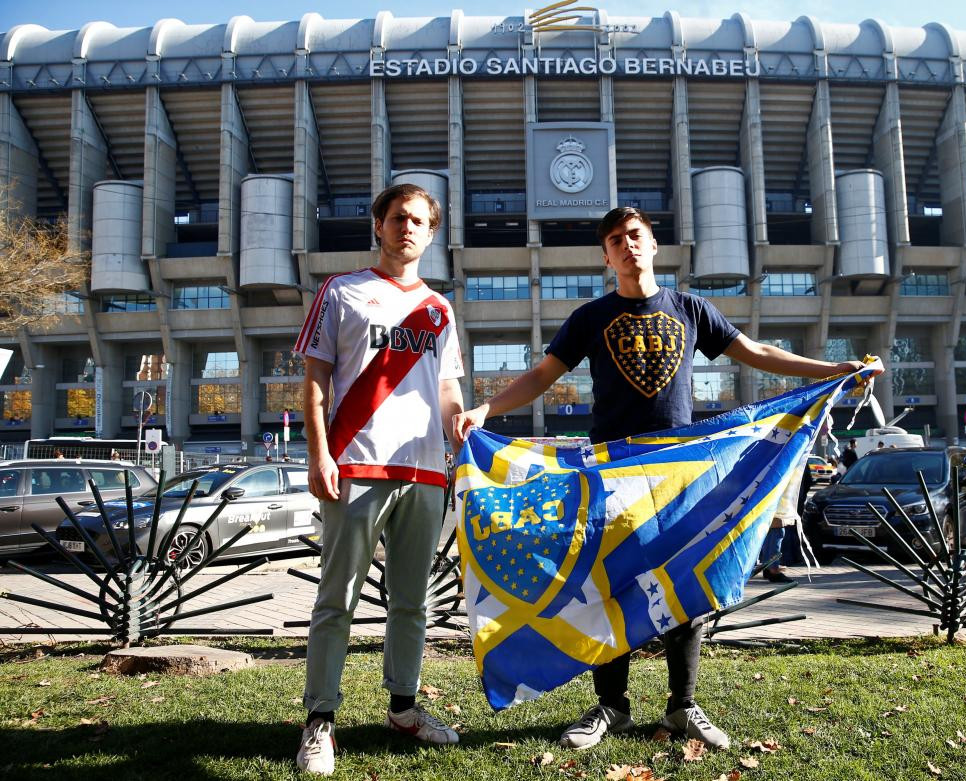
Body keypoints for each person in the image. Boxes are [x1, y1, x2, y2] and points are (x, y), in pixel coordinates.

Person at [451, 206, 877, 752]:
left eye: (635, 236)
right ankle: (612, 707)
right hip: (612, 472)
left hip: (681, 471)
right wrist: (486, 410)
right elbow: (541, 374)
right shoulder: (590, 317)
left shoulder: (692, 309)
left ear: (654, 245)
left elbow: (756, 352)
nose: (626, 246)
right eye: (614, 241)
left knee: (684, 586)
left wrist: (831, 371)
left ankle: (683, 706)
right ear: (606, 257)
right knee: (612, 582)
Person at [294, 183, 466, 775]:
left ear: (432, 232)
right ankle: (319, 720)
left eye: (419, 220)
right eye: (398, 218)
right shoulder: (340, 291)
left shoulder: (440, 309)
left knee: (411, 604)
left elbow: (447, 390)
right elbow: (315, 382)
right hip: (355, 465)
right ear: (378, 225)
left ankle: (404, 708)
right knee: (335, 599)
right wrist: (319, 454)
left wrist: (461, 429)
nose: (407, 228)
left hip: (423, 471)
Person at [761, 463, 813, 583]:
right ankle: (772, 569)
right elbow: (806, 480)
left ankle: (768, 566)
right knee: (777, 532)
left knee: (772, 532)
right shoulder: (791, 454)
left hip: (775, 497)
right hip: (782, 499)